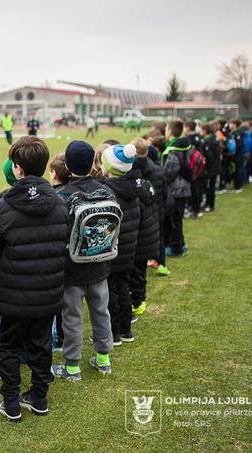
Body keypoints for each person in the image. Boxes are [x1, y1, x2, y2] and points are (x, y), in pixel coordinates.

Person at [0, 136, 68, 422]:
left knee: (9, 345)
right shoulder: (59, 203)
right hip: (43, 289)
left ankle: (19, 398)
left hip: (17, 290)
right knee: (41, 342)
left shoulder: (6, 206)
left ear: (17, 168)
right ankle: (31, 396)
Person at [50, 141, 113, 382]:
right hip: (100, 263)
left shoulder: (63, 196)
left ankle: (72, 367)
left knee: (72, 317)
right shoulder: (107, 190)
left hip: (72, 268)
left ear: (67, 165)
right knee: (101, 312)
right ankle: (104, 359)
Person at [100, 144, 142, 344]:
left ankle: (114, 332)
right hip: (129, 247)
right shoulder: (133, 187)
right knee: (124, 287)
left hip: (113, 247)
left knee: (111, 290)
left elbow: (109, 222)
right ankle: (126, 330)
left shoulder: (109, 191)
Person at [127, 145, 160, 323]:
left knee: (137, 273)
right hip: (146, 239)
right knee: (139, 272)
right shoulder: (146, 186)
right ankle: (139, 300)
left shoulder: (135, 191)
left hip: (139, 241)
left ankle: (138, 302)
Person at [132, 138, 170, 278]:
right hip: (157, 209)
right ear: (147, 151)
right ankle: (162, 264)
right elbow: (165, 193)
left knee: (139, 239)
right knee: (159, 236)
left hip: (138, 211)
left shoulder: (129, 170)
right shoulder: (159, 170)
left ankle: (142, 266)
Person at [48, 153, 71, 351]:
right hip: (72, 254)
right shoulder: (72, 192)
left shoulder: (55, 197)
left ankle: (59, 338)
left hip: (57, 256)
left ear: (53, 173)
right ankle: (63, 336)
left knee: (59, 300)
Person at [161, 119, 191, 257]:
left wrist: (162, 179)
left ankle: (177, 248)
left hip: (176, 190)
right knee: (178, 218)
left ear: (170, 132)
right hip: (184, 187)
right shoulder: (185, 145)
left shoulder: (173, 150)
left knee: (174, 220)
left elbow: (170, 172)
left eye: (166, 129)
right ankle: (181, 244)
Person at [185, 121, 205, 217]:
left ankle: (195, 210)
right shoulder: (199, 137)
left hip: (193, 168)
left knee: (194, 189)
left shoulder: (188, 140)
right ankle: (196, 207)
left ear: (188, 128)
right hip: (200, 166)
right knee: (198, 188)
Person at [201, 122, 221, 212]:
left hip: (210, 169)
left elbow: (209, 157)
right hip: (216, 167)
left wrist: (205, 168)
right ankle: (207, 204)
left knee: (210, 188)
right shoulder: (215, 139)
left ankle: (210, 205)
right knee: (209, 187)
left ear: (205, 131)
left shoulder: (208, 142)